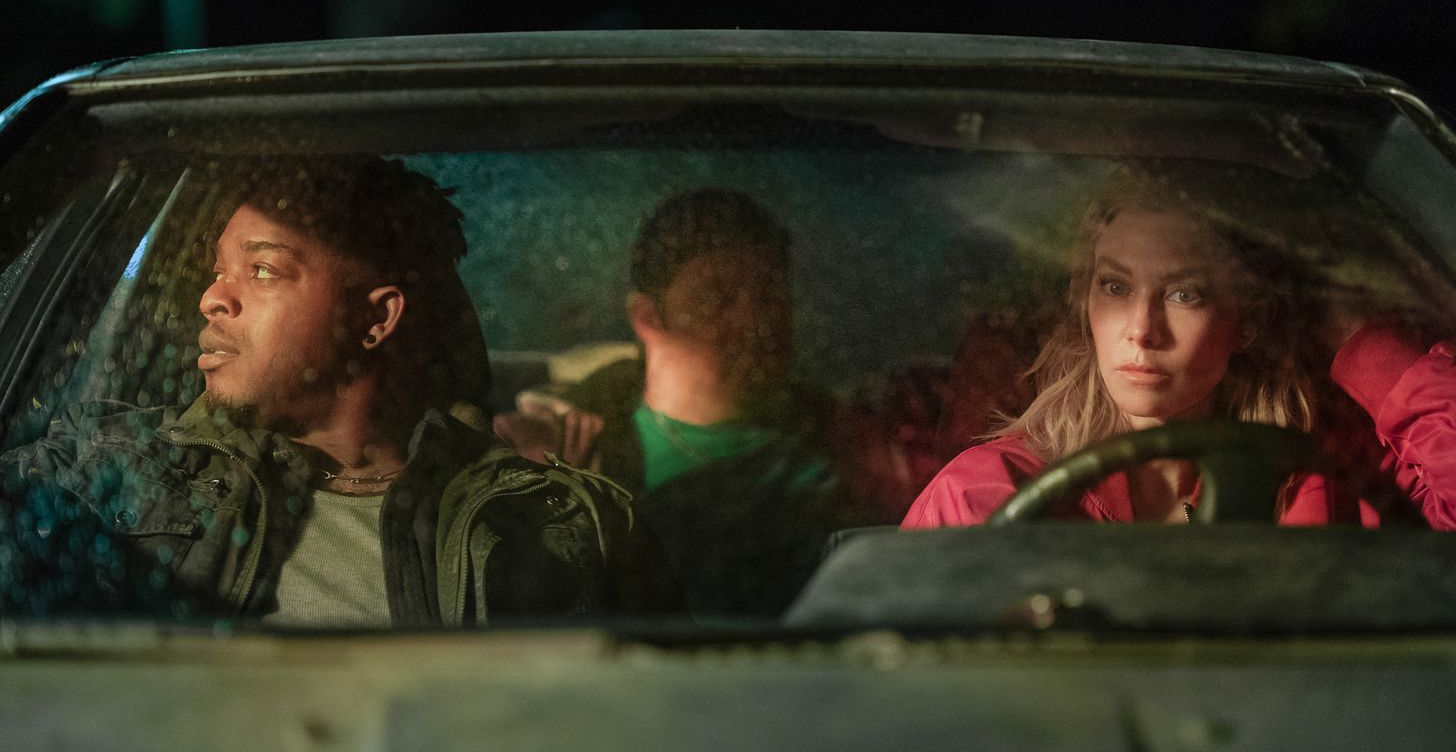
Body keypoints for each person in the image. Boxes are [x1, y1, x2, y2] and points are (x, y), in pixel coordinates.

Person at [0, 156, 680, 625]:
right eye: (217, 271)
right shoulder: (108, 471)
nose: (212, 298)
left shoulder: (571, 524)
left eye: (262, 270)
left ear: (376, 319)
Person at [902, 160, 1456, 533]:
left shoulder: (1327, 484)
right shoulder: (993, 497)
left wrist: (1359, 341)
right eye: (1115, 287)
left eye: (1184, 294)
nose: (1142, 330)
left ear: (1248, 320)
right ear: (1085, 302)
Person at [493, 187, 858, 615]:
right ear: (647, 317)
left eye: (769, 294)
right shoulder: (573, 449)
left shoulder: (852, 436)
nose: (754, 319)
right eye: (717, 298)